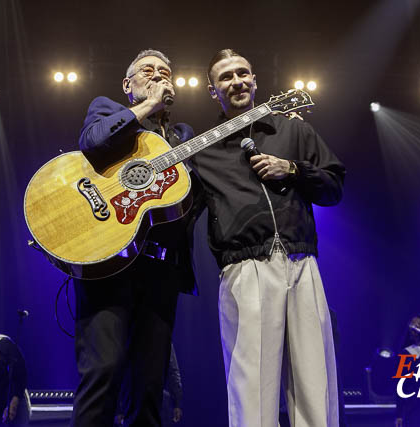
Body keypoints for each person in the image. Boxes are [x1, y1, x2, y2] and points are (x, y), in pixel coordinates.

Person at [190, 49, 346, 427]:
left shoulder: (293, 129)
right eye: (225, 77)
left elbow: (334, 188)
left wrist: (292, 169)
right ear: (213, 91)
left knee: (314, 381)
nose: (237, 81)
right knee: (252, 387)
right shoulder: (202, 151)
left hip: (301, 261)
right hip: (245, 268)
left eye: (243, 73)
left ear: (256, 81)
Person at [71, 49, 201, 427]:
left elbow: (189, 197)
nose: (160, 77)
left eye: (166, 72)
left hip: (160, 269)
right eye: (149, 71)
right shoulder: (105, 108)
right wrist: (147, 107)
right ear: (128, 85)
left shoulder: (183, 136)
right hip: (109, 262)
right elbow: (93, 141)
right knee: (103, 372)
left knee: (149, 385)